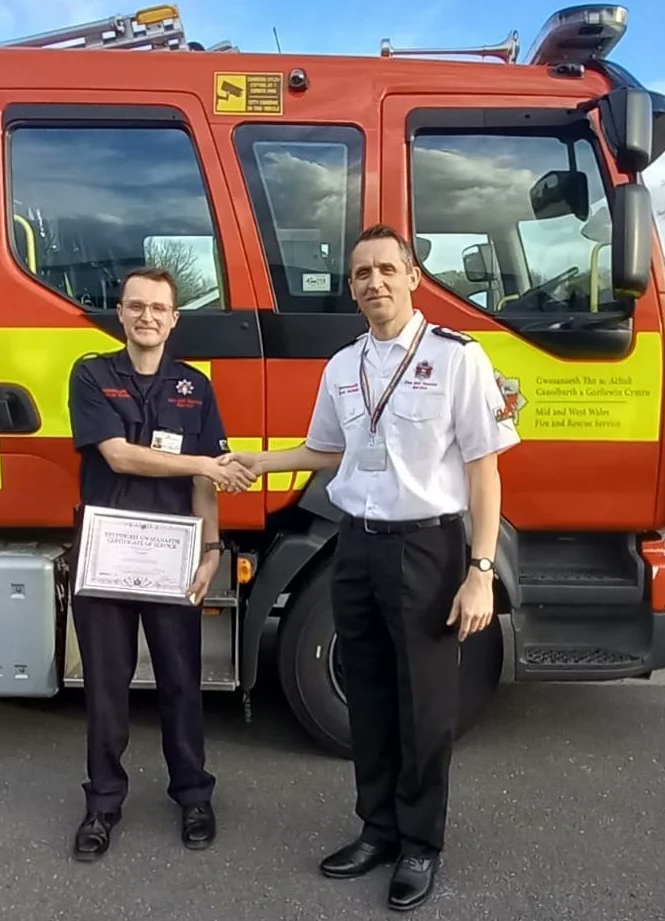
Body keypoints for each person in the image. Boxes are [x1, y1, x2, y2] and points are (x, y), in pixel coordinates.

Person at [220, 224, 520, 911]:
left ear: (413, 277)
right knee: (371, 698)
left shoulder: (457, 359)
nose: (374, 282)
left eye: (387, 268)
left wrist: (480, 570)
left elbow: (483, 470)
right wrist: (264, 462)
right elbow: (327, 451)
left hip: (427, 548)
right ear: (350, 286)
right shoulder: (343, 365)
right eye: (361, 273)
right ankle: (376, 828)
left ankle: (420, 843)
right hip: (353, 543)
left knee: (424, 703)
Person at [66, 266, 257, 862]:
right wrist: (204, 464)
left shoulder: (195, 388)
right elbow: (119, 458)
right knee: (106, 687)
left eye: (159, 308)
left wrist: (211, 550)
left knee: (180, 682)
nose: (147, 316)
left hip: (172, 558)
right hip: (107, 558)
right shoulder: (92, 375)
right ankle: (102, 805)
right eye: (136, 306)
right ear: (120, 314)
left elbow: (208, 486)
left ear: (175, 319)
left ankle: (194, 795)